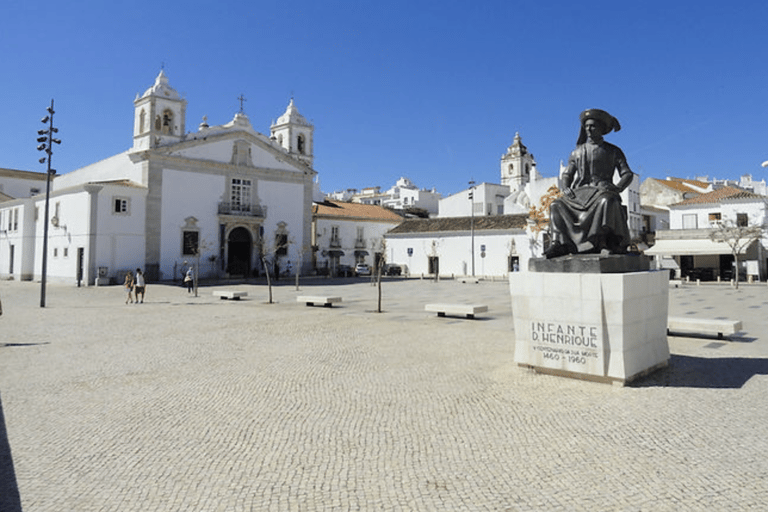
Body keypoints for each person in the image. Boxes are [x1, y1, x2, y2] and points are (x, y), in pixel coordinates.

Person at [545, 109, 634, 258]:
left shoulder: (613, 151)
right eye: (586, 126)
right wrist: (566, 187)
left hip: (602, 191)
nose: (589, 129)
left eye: (592, 126)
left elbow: (627, 173)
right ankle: (558, 244)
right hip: (580, 193)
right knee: (556, 204)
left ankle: (602, 242)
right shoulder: (577, 152)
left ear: (601, 128)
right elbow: (568, 173)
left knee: (606, 201)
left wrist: (617, 188)